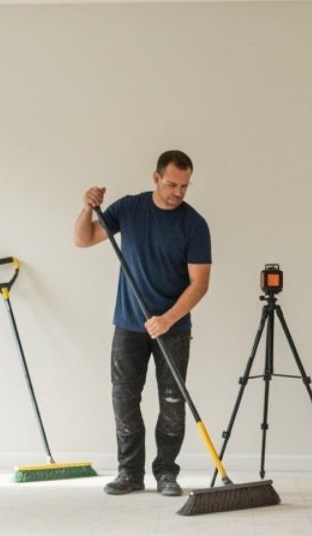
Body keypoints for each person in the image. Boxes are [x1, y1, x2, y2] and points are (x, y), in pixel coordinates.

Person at [74, 151, 212, 497]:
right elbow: (84, 239)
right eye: (170, 184)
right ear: (155, 178)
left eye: (184, 186)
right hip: (129, 324)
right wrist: (87, 207)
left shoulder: (193, 224)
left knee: (172, 401)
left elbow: (200, 283)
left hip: (174, 327)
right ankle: (129, 473)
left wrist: (167, 319)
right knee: (124, 398)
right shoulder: (130, 208)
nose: (177, 192)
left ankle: (166, 472)